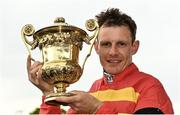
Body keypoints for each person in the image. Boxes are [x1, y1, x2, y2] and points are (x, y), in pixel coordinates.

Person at [27, 8, 174, 114]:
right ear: (96, 47)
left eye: (121, 44)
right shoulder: (93, 92)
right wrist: (48, 94)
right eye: (106, 44)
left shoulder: (150, 87)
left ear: (134, 47)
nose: (113, 52)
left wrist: (98, 109)